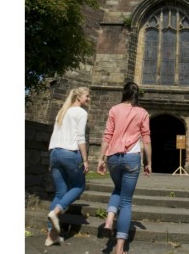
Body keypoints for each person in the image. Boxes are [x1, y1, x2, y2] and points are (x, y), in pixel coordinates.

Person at [97, 82, 152, 254]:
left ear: (124, 93)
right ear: (137, 95)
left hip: (113, 156)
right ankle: (119, 248)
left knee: (117, 189)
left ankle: (109, 220)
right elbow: (147, 140)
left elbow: (107, 135)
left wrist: (100, 158)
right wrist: (148, 162)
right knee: (126, 201)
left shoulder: (114, 109)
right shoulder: (142, 112)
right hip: (132, 158)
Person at [45, 87, 91, 247]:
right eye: (87, 96)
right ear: (78, 97)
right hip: (70, 153)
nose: (89, 99)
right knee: (79, 186)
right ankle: (56, 211)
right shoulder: (81, 113)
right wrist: (85, 159)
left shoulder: (62, 111)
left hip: (54, 153)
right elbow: (80, 137)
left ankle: (51, 236)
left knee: (60, 193)